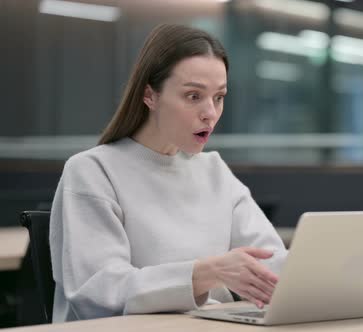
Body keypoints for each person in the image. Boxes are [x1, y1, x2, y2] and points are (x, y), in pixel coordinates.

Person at [49, 24, 288, 323]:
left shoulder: (213, 170)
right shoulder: (93, 171)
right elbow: (100, 292)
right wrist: (205, 274)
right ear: (150, 95)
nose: (210, 113)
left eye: (219, 97)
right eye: (193, 96)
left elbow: (271, 263)